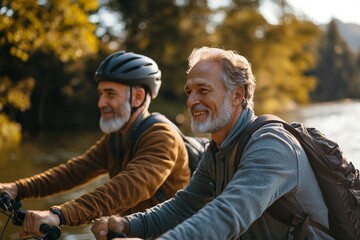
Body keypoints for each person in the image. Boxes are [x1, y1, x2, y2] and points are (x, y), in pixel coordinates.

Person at [91, 46, 334, 240]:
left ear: (237, 95)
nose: (191, 101)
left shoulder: (272, 145)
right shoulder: (217, 150)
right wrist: (126, 223)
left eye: (203, 90)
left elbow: (229, 214)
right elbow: (184, 206)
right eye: (189, 91)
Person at [0, 51, 190, 237]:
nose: (100, 103)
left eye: (110, 94)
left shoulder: (163, 137)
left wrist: (59, 214)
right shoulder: (117, 137)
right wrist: (18, 188)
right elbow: (75, 171)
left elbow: (125, 189)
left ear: (138, 97)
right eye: (100, 93)